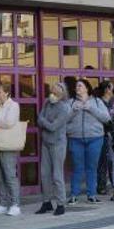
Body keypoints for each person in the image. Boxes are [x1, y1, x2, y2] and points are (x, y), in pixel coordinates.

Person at [66, 79, 111, 204]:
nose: (77, 88)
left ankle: (91, 194)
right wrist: (74, 110)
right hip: (75, 138)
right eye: (76, 86)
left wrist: (91, 108)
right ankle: (74, 194)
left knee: (92, 167)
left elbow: (106, 118)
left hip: (95, 138)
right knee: (77, 167)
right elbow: (64, 119)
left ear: (87, 88)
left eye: (80, 86)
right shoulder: (70, 103)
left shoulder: (97, 101)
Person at [36, 82, 71, 216]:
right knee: (44, 174)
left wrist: (44, 122)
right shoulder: (46, 102)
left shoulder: (64, 108)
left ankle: (61, 203)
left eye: (56, 93)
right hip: (45, 142)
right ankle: (46, 202)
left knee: (57, 174)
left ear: (62, 94)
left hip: (58, 143)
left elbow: (53, 126)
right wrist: (44, 122)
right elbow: (39, 119)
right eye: (52, 92)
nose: (53, 95)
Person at [0, 83, 22, 216]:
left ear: (7, 93)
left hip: (8, 144)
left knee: (9, 174)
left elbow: (9, 122)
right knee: (0, 175)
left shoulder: (13, 105)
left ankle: (15, 204)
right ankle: (2, 203)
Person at [94, 81, 114, 195]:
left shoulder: (113, 102)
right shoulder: (100, 102)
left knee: (111, 161)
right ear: (107, 89)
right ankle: (101, 185)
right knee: (103, 161)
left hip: (112, 134)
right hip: (104, 134)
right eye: (112, 88)